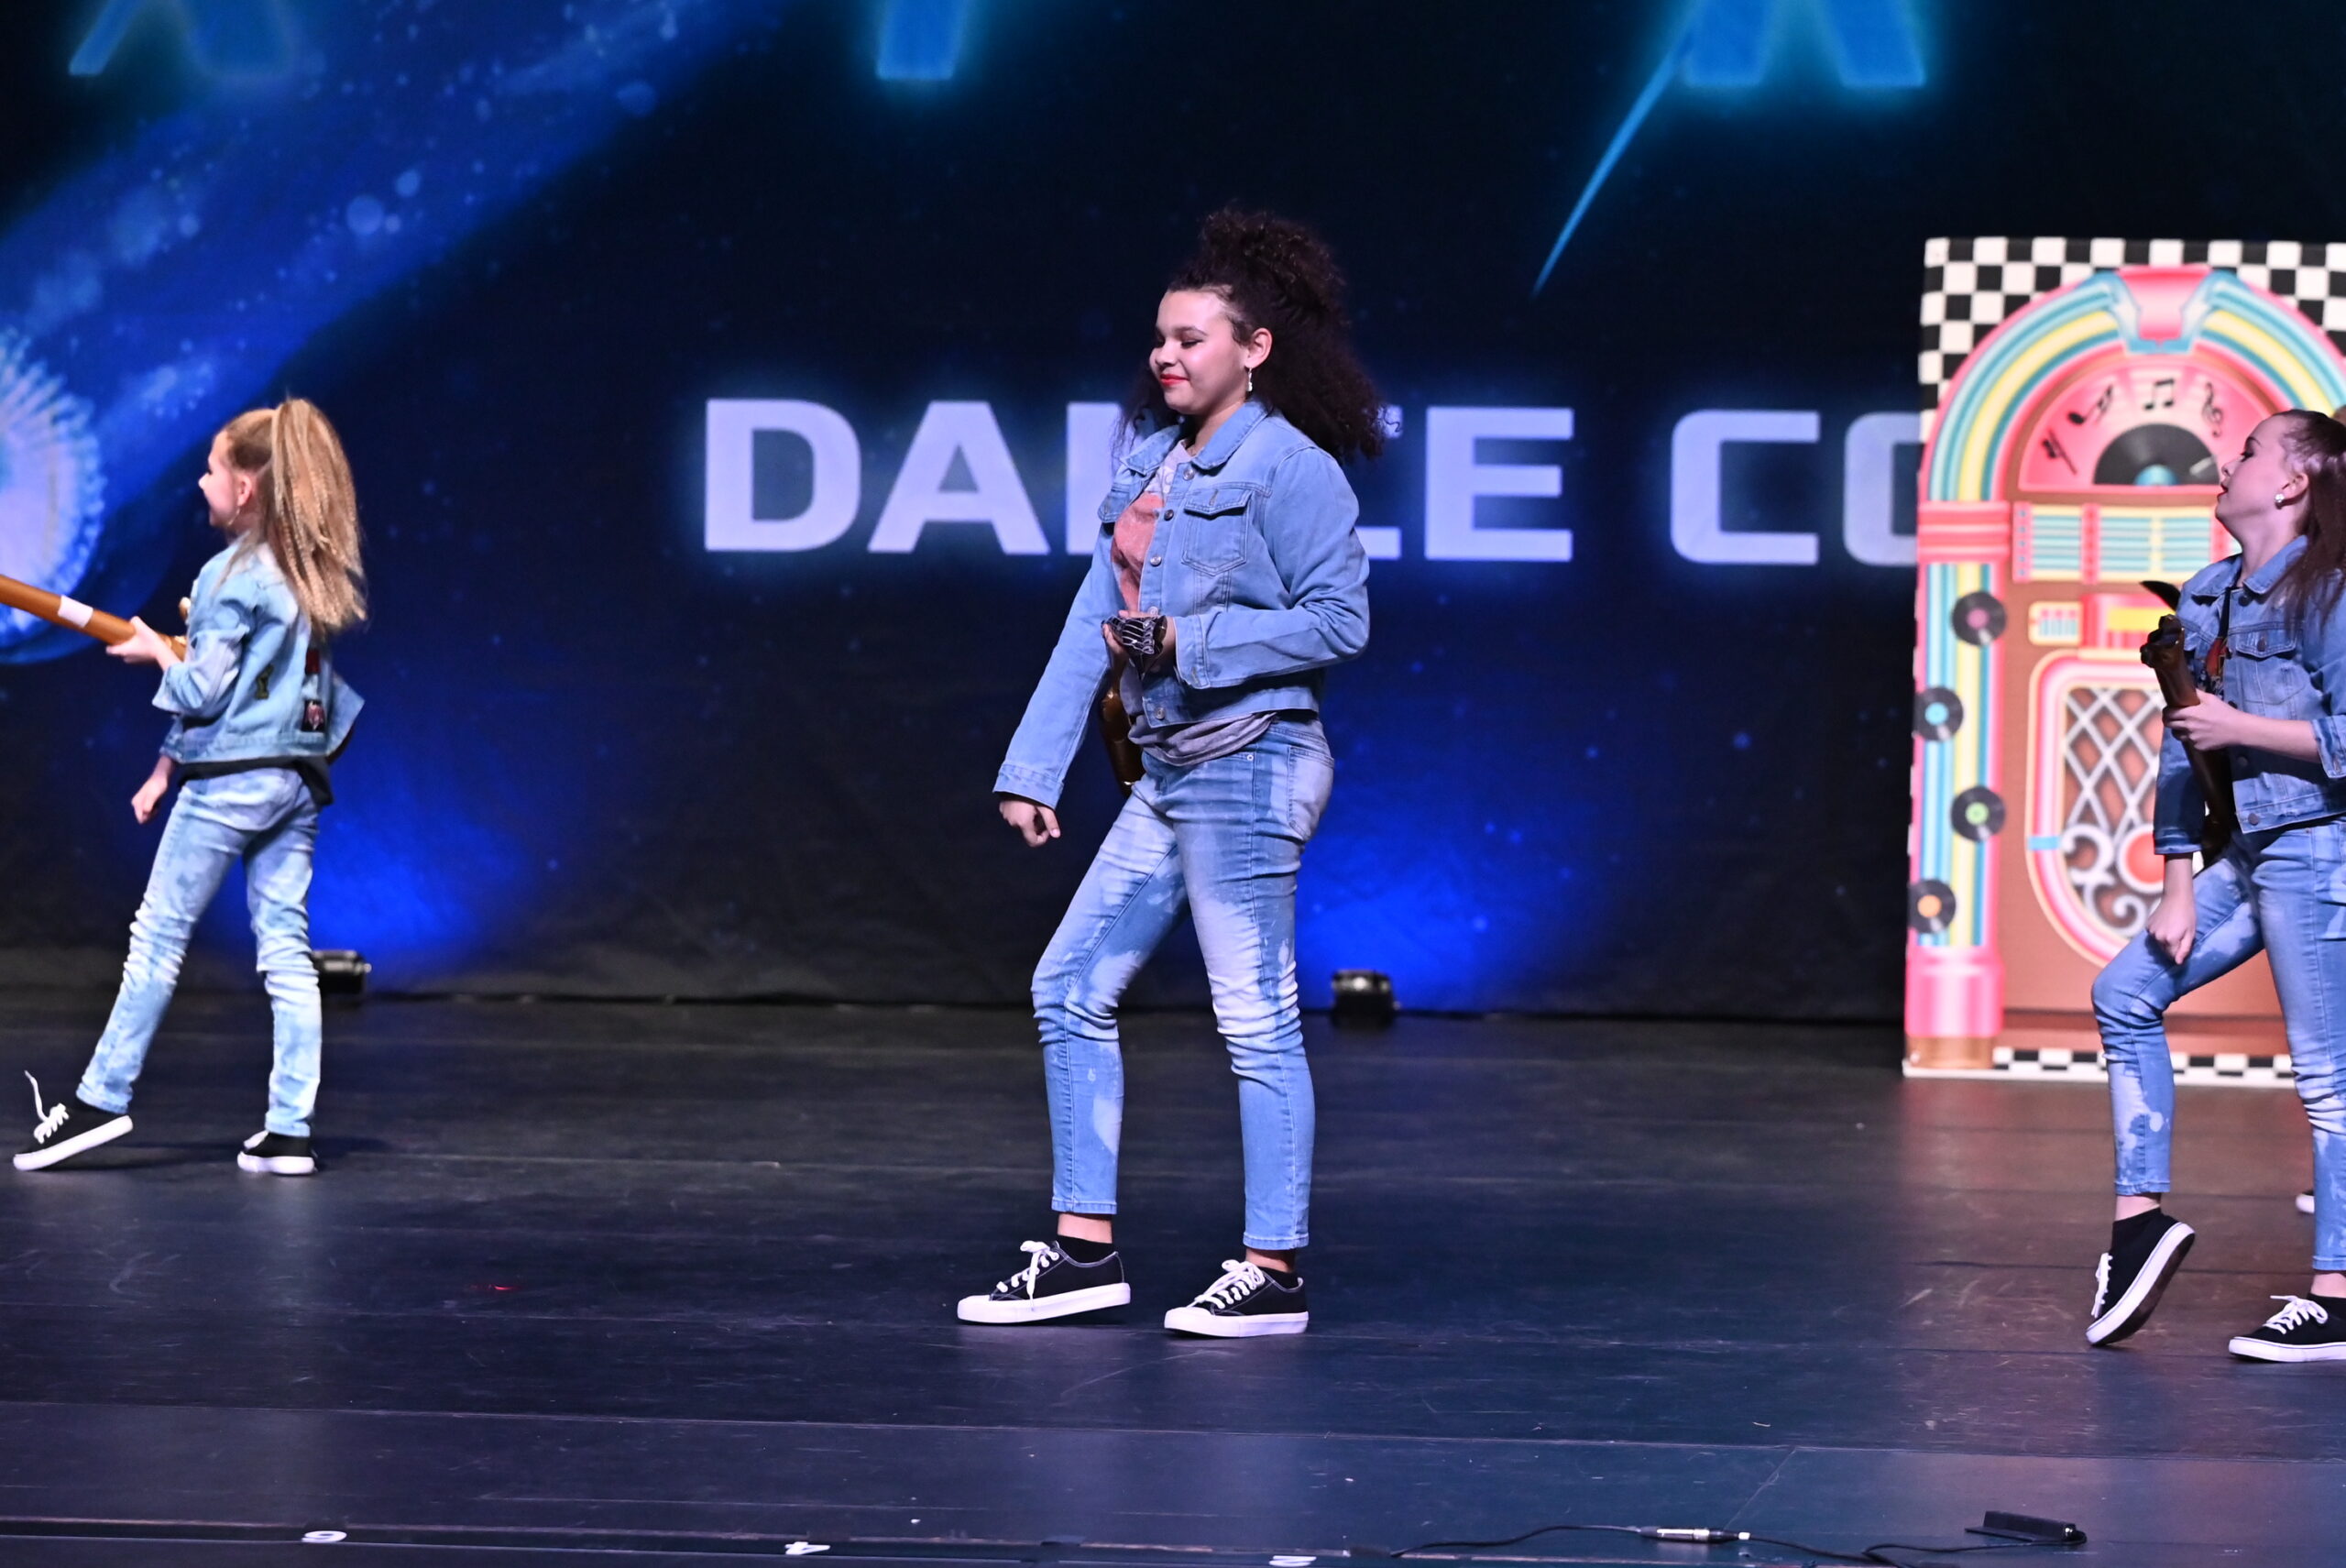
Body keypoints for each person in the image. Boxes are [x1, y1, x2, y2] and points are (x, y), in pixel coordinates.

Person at [957, 209, 1379, 1337]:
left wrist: (1195, 642)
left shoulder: (1291, 469)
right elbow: (1091, 621)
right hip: (1169, 767)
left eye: (1190, 338)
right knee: (1067, 987)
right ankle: (1082, 1251)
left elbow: (1341, 622)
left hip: (1253, 759)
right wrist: (1033, 768)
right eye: (1159, 337)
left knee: (1253, 1018)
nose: (1165, 355)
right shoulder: (1150, 461)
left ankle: (1273, 1268)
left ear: (1254, 348)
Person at [15, 400, 367, 1177]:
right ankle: (289, 1130)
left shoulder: (227, 575)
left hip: (232, 782)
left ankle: (100, 1098)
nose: (201, 483)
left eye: (211, 470)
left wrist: (157, 651)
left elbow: (205, 692)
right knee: (287, 951)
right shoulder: (308, 572)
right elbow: (251, 692)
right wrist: (162, 768)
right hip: (296, 780)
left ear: (245, 488)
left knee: (158, 937)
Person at [2086, 409, 2346, 1360]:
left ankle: (2337, 1295)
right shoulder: (2208, 594)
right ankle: (2139, 1224)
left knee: (2328, 1078)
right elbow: (2181, 744)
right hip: (2243, 850)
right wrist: (2177, 877)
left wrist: (2242, 728)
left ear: (2293, 482)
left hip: (2320, 848)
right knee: (2123, 993)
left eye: (2249, 451)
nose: (2228, 461)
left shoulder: (2331, 593)